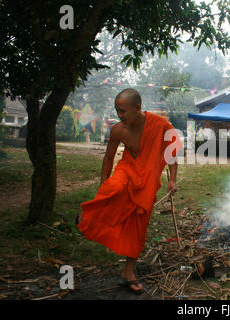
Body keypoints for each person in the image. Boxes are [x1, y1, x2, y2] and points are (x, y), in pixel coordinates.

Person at [76, 88, 182, 294]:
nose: (119, 116)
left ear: (137, 108)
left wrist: (173, 180)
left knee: (138, 226)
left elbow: (171, 152)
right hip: (126, 170)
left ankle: (128, 272)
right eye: (117, 111)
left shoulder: (160, 125)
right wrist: (103, 183)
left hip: (148, 178)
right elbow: (108, 157)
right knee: (113, 189)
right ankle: (86, 217)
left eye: (123, 111)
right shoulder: (118, 130)